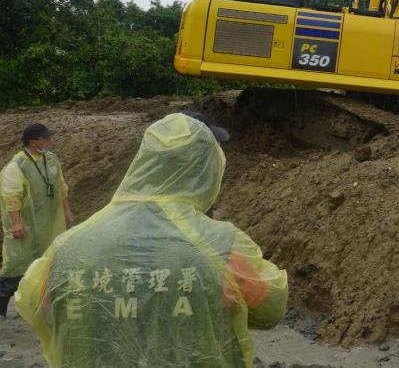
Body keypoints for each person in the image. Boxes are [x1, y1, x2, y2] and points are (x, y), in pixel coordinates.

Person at [15, 111, 288, 367]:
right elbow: (269, 309)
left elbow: (34, 306)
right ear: (208, 167)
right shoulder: (218, 245)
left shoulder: (69, 246)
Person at [0, 123, 73, 317]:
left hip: (49, 224)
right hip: (26, 225)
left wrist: (66, 211)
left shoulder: (51, 160)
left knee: (47, 263)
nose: (51, 140)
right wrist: (16, 223)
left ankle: (42, 306)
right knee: (18, 266)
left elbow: (60, 186)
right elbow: (11, 197)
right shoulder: (17, 166)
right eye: (46, 138)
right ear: (34, 142)